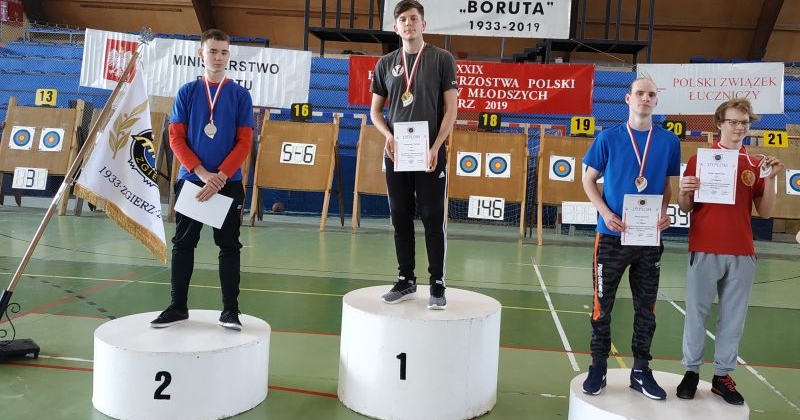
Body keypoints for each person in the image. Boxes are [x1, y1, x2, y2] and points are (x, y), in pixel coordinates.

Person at [675, 98, 783, 405]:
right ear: (719, 124)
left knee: (733, 318)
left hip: (742, 252)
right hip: (705, 247)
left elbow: (764, 212)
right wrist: (685, 190)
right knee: (696, 314)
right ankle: (692, 372)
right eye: (734, 122)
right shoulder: (702, 159)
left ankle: (722, 376)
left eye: (745, 123)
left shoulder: (756, 163)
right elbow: (686, 206)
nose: (739, 128)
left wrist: (770, 180)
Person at [580, 77, 681, 400]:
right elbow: (588, 179)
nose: (645, 99)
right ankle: (598, 367)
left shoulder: (667, 141)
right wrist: (604, 213)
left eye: (652, 94)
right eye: (640, 93)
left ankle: (640, 369)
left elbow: (667, 185)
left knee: (646, 308)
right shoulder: (608, 137)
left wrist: (665, 212)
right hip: (611, 236)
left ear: (656, 101)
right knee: (602, 305)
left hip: (648, 238)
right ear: (628, 99)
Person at [150, 29, 254, 330]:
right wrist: (202, 174)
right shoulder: (187, 92)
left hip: (227, 182)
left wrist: (220, 177)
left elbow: (244, 142)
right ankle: (177, 306)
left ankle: (230, 311)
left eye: (224, 52)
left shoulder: (239, 95)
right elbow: (176, 138)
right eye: (213, 51)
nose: (218, 57)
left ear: (229, 55)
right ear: (201, 54)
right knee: (184, 244)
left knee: (229, 246)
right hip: (193, 181)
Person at [369, 0, 458, 310]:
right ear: (396, 27)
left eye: (414, 18)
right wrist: (388, 135)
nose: (408, 24)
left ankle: (437, 283)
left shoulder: (441, 59)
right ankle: (406, 279)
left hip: (430, 153)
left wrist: (436, 147)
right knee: (400, 217)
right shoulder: (385, 64)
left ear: (424, 24)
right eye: (403, 19)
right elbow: (375, 112)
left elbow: (452, 109)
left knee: (433, 218)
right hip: (396, 153)